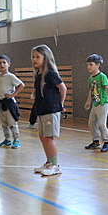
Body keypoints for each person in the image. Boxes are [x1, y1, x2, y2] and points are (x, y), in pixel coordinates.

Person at [31, 45, 68, 176]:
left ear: (45, 58)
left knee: (48, 138)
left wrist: (60, 104)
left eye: (38, 57)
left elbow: (63, 88)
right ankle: (49, 162)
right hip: (41, 110)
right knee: (42, 137)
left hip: (50, 110)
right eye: (33, 57)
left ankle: (55, 165)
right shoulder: (38, 74)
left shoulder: (51, 74)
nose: (34, 59)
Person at [83, 54, 108, 153]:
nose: (89, 67)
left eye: (91, 64)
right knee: (92, 123)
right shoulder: (90, 78)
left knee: (101, 124)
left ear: (98, 65)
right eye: (88, 65)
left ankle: (106, 143)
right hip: (95, 104)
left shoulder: (102, 76)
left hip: (103, 103)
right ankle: (96, 141)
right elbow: (91, 90)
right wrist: (88, 101)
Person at [0, 55, 25, 149]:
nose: (2, 65)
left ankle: (16, 139)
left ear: (9, 64)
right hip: (0, 102)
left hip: (9, 102)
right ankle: (7, 139)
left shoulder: (11, 76)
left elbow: (21, 85)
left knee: (12, 123)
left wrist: (13, 94)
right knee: (4, 123)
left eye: (4, 62)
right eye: (0, 63)